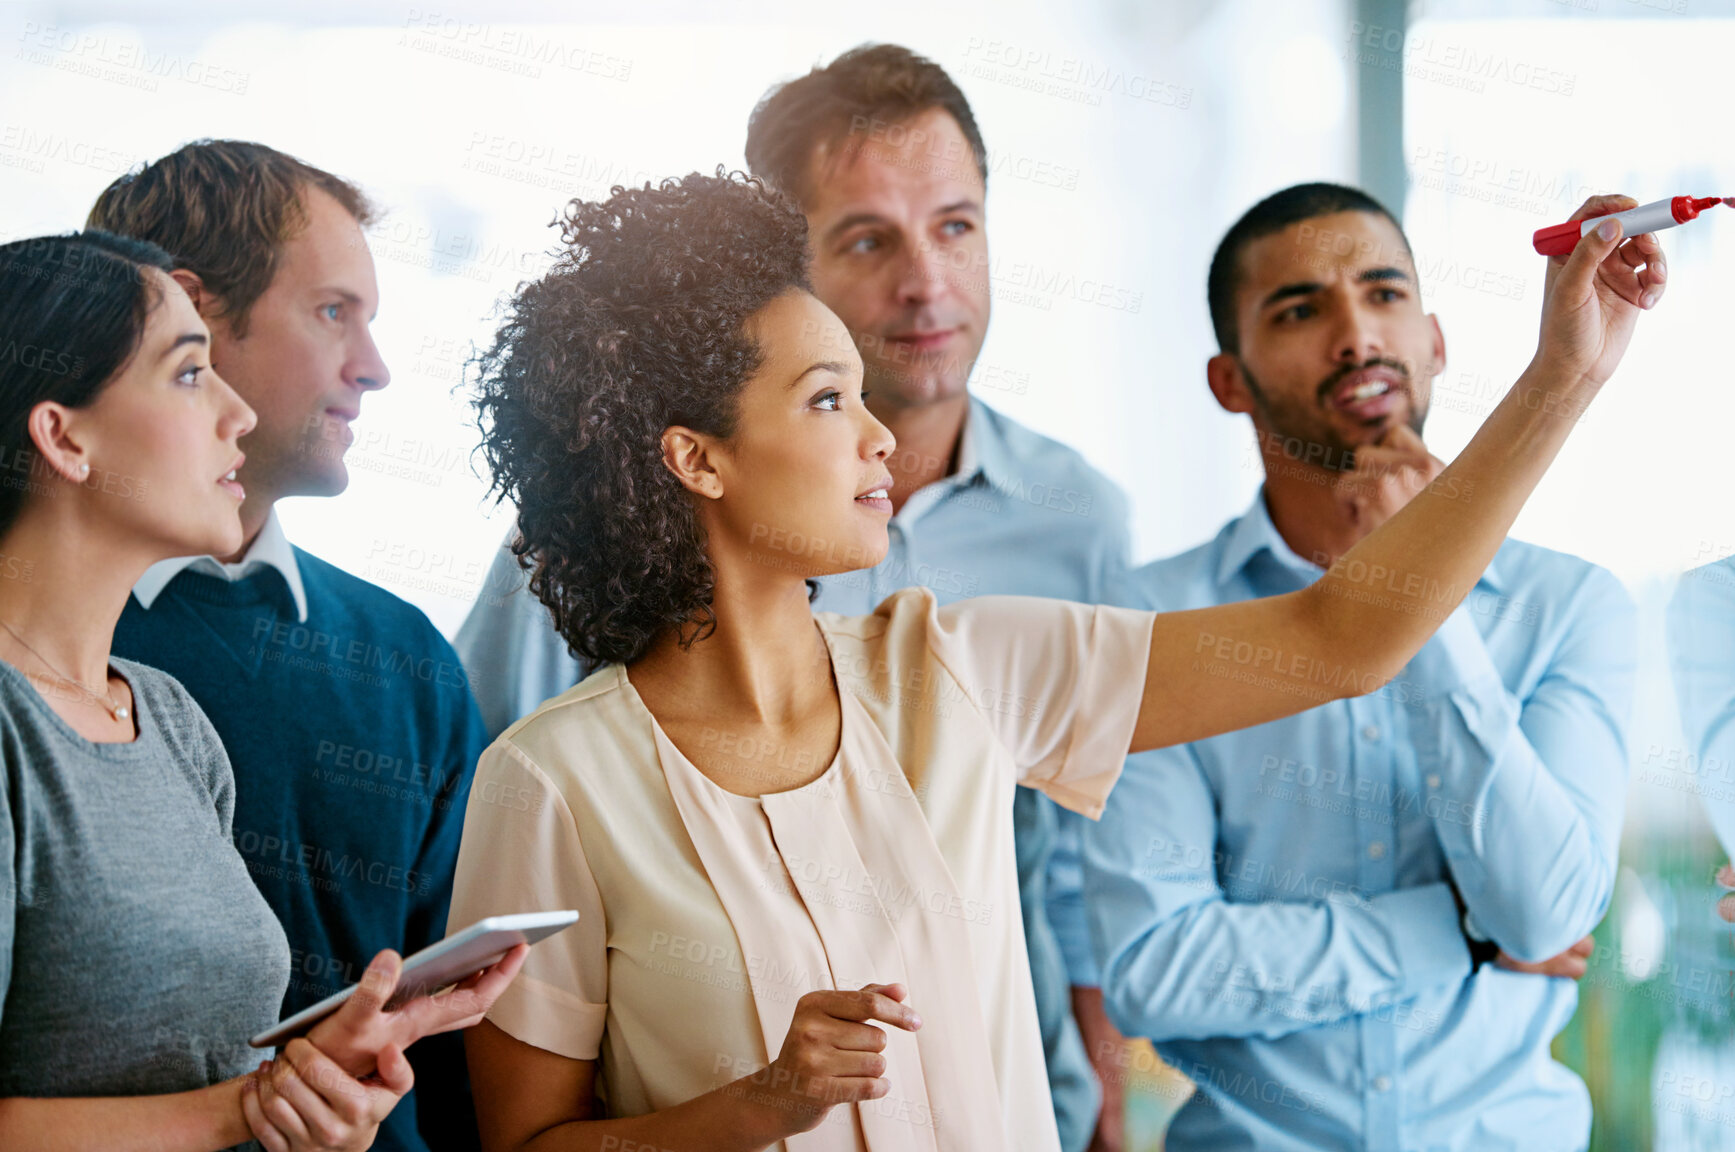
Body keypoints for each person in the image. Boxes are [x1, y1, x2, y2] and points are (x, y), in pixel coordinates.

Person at [447, 168, 1659, 1151]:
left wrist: (1567, 372)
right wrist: (755, 1110)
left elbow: (1341, 638)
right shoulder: (549, 782)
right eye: (827, 401)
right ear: (696, 460)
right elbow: (528, 1147)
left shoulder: (967, 668)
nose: (879, 435)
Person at [453, 45, 1130, 1148]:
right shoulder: (578, 580)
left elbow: (1070, 857)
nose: (926, 283)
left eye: (956, 227)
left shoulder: (1075, 518)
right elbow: (512, 853)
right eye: (868, 240)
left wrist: (1094, 1086)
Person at [1073, 183, 1634, 1152]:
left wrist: (1415, 600)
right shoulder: (1144, 624)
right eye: (1299, 310)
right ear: (1229, 381)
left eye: (1383, 295)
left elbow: (1539, 915)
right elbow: (1152, 967)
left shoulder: (1571, 608)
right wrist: (1454, 929)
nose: (1354, 336)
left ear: (1435, 341)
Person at [0, 231, 526, 1152]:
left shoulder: (166, 719)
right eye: (190, 373)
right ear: (63, 435)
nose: (238, 414)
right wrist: (245, 1109)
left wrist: (319, 1078)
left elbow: (197, 1066)